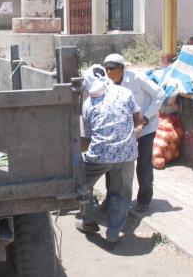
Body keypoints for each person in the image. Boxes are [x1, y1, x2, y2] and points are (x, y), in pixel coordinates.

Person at [77, 65, 143, 244]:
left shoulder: (88, 104)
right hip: (127, 154)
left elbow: (90, 137)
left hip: (100, 156)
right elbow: (139, 119)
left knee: (81, 185)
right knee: (121, 194)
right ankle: (113, 234)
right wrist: (130, 138)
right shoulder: (125, 92)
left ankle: (89, 221)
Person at [102, 54, 165, 212]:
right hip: (122, 129)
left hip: (145, 127)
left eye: (113, 68)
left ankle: (144, 199)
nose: (109, 72)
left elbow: (159, 94)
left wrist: (146, 117)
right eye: (107, 68)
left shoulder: (137, 78)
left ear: (122, 69)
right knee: (112, 164)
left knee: (143, 164)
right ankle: (111, 197)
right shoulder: (105, 83)